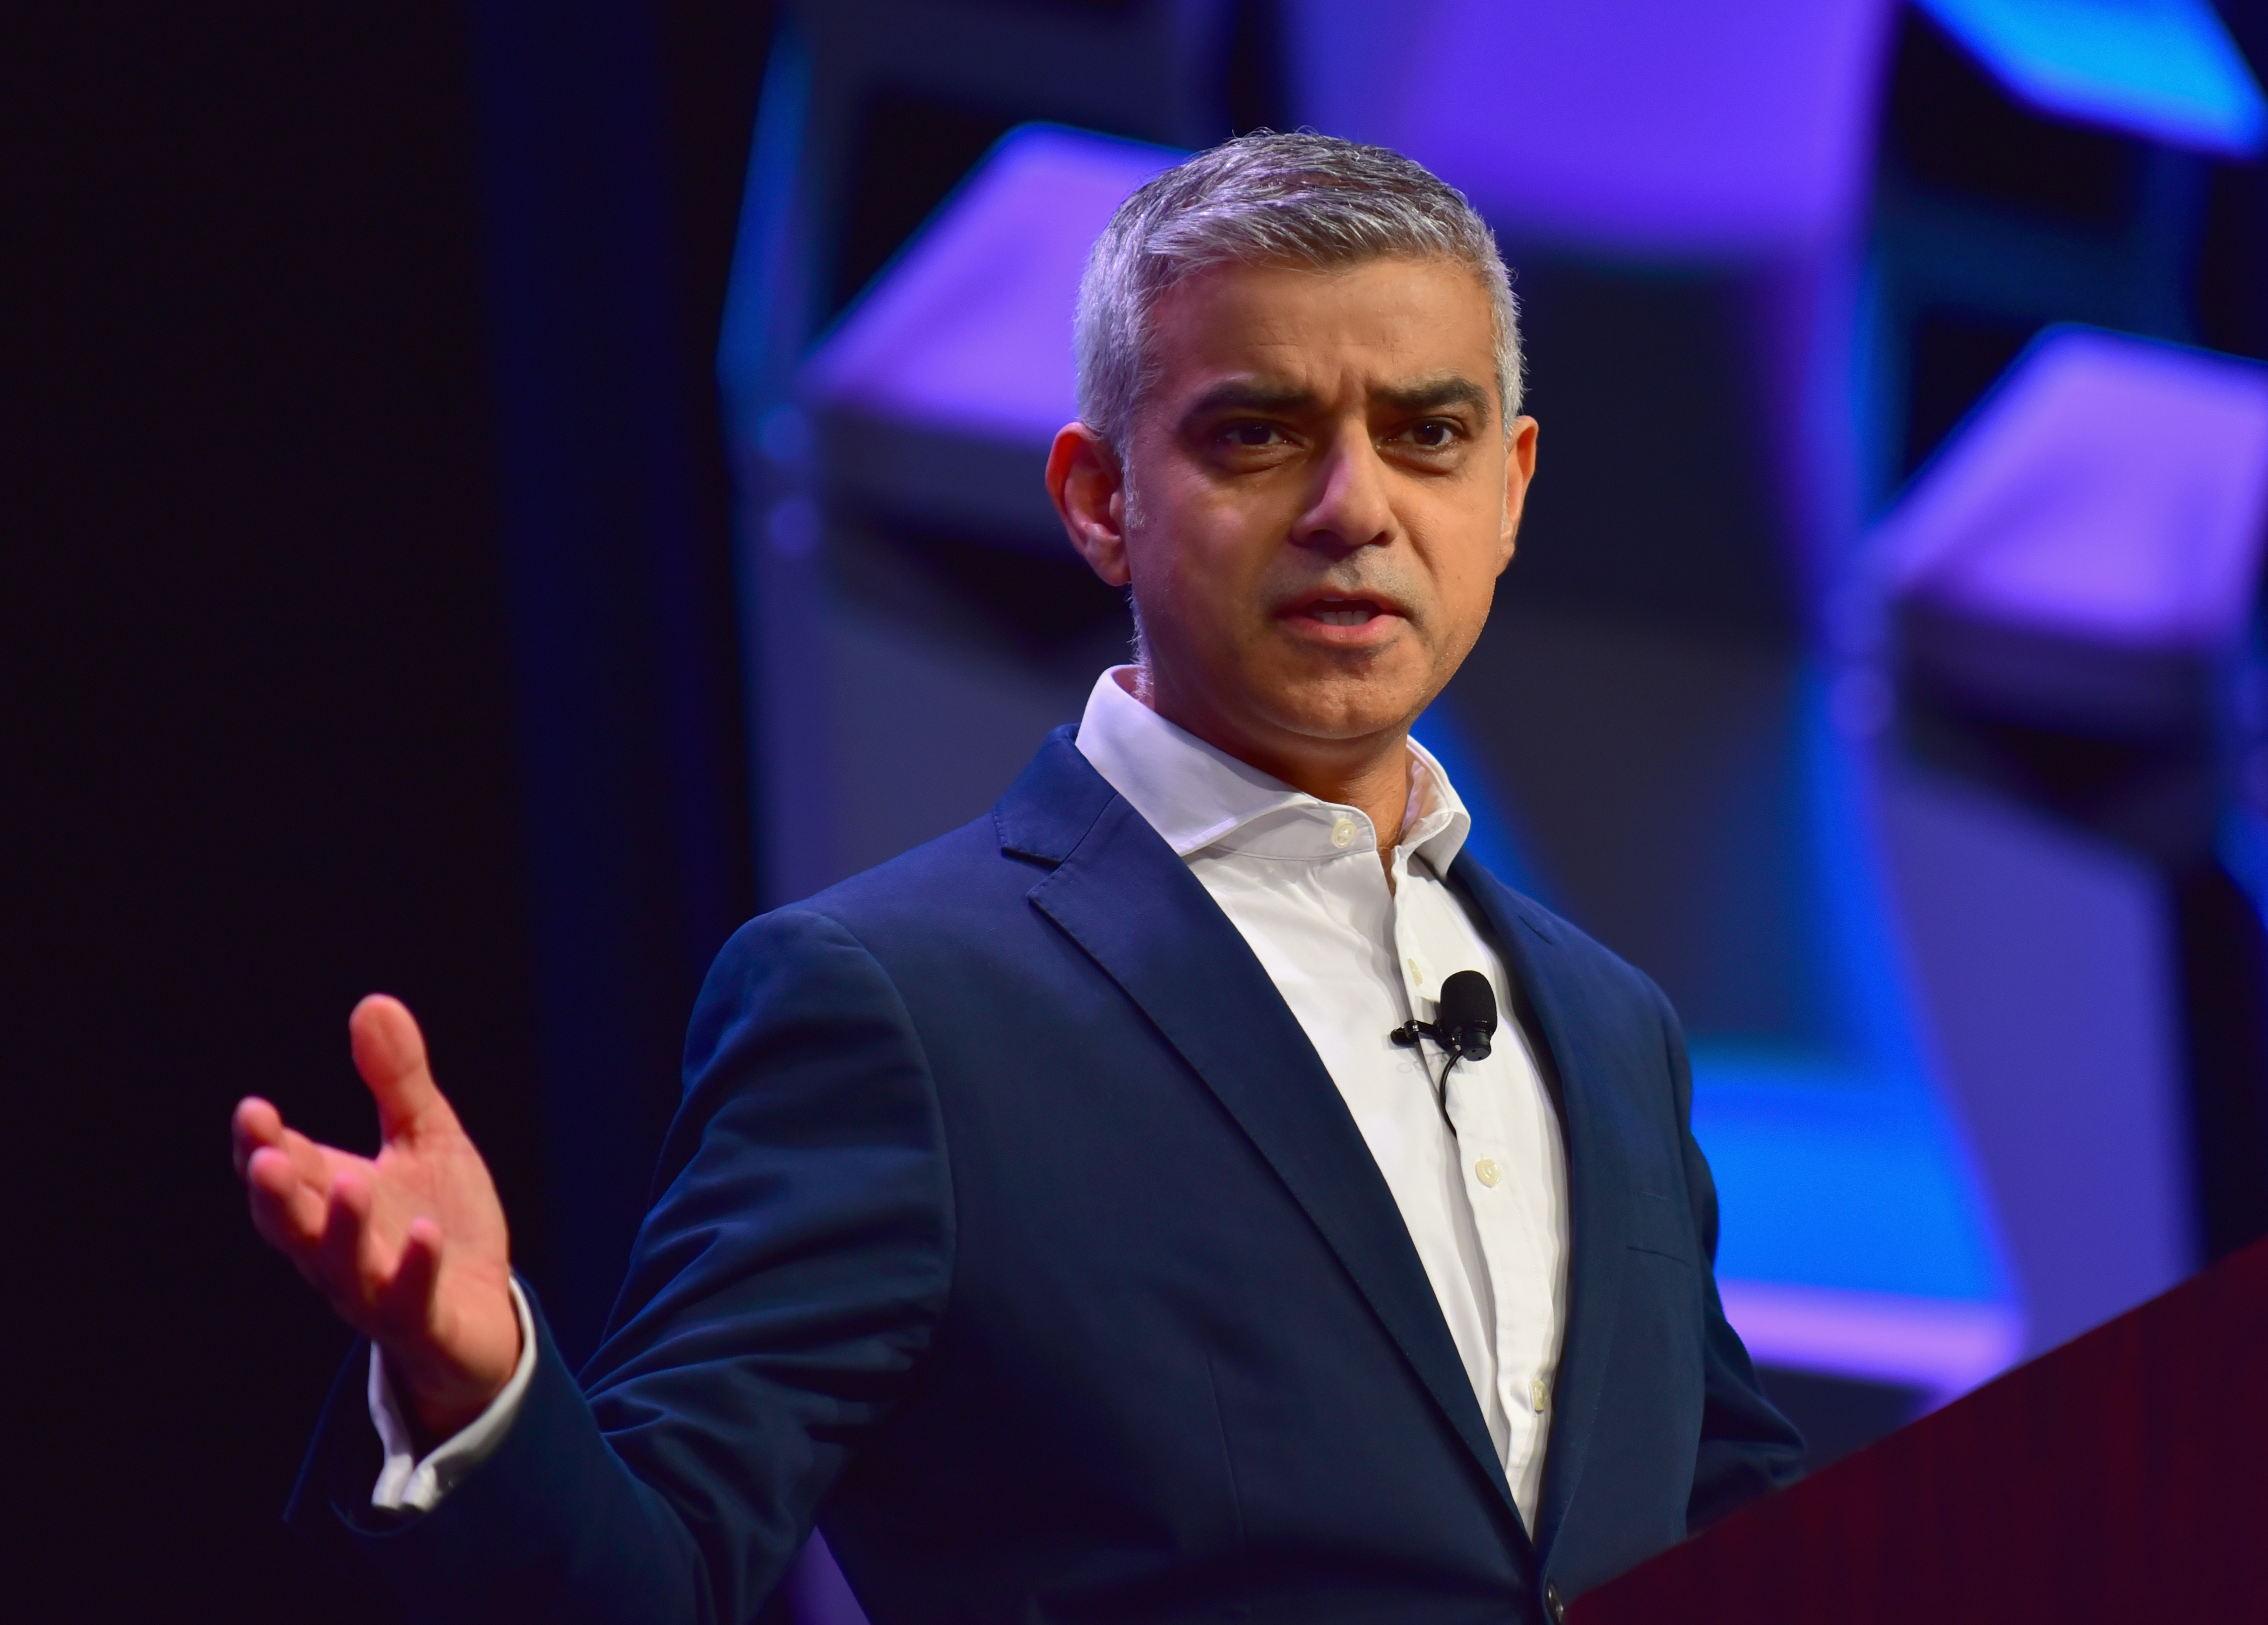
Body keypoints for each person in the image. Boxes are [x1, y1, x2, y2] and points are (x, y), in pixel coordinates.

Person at [234, 133, 1801, 1625]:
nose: (1355, 506)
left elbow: (1766, 1547)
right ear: (1100, 499)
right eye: (1257, 435)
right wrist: (476, 1388)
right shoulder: (896, 1007)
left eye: (1426, 434)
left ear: (1509, 489)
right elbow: (649, 1578)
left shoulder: (1608, 1025)